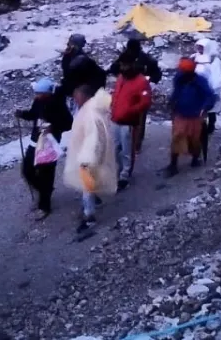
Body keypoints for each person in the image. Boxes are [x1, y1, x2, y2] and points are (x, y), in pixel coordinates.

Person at [64, 85, 118, 233]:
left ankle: (90, 217)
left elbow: (94, 139)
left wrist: (87, 159)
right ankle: (94, 201)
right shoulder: (89, 109)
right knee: (89, 185)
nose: (75, 99)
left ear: (84, 96)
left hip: (88, 157)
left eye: (77, 96)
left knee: (86, 186)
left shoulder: (91, 114)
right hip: (87, 154)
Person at [17, 77, 74, 218]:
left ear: (46, 93)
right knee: (27, 170)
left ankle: (45, 206)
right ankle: (45, 191)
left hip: (49, 144)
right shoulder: (38, 101)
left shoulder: (59, 104)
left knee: (46, 175)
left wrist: (53, 127)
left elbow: (69, 123)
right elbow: (33, 114)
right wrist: (22, 114)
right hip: (35, 141)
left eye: (38, 93)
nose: (35, 96)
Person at [108, 37, 162, 154]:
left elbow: (157, 74)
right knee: (126, 115)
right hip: (126, 90)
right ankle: (127, 142)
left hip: (139, 91)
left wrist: (148, 79)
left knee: (140, 118)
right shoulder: (126, 57)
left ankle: (137, 143)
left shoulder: (145, 59)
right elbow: (114, 68)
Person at [166, 58, 217, 175]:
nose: (181, 73)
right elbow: (176, 93)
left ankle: (195, 159)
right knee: (177, 137)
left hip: (195, 115)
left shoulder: (200, 82)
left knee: (194, 140)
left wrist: (205, 107)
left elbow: (210, 96)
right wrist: (172, 103)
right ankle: (173, 164)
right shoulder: (179, 79)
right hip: (180, 114)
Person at [111, 59, 152, 191]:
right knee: (115, 148)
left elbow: (145, 102)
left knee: (127, 150)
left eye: (125, 65)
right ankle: (116, 171)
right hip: (116, 119)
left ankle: (124, 175)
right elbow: (116, 95)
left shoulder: (141, 81)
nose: (123, 67)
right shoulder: (121, 78)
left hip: (128, 122)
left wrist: (130, 111)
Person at [192, 38, 221, 161]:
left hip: (210, 88)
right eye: (198, 47)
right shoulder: (194, 57)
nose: (200, 49)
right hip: (198, 89)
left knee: (211, 110)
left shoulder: (214, 61)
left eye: (202, 47)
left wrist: (214, 90)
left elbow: (217, 76)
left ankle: (210, 126)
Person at [58, 34, 107, 105]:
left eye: (71, 43)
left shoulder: (81, 60)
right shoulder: (70, 55)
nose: (68, 44)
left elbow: (72, 76)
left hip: (84, 90)